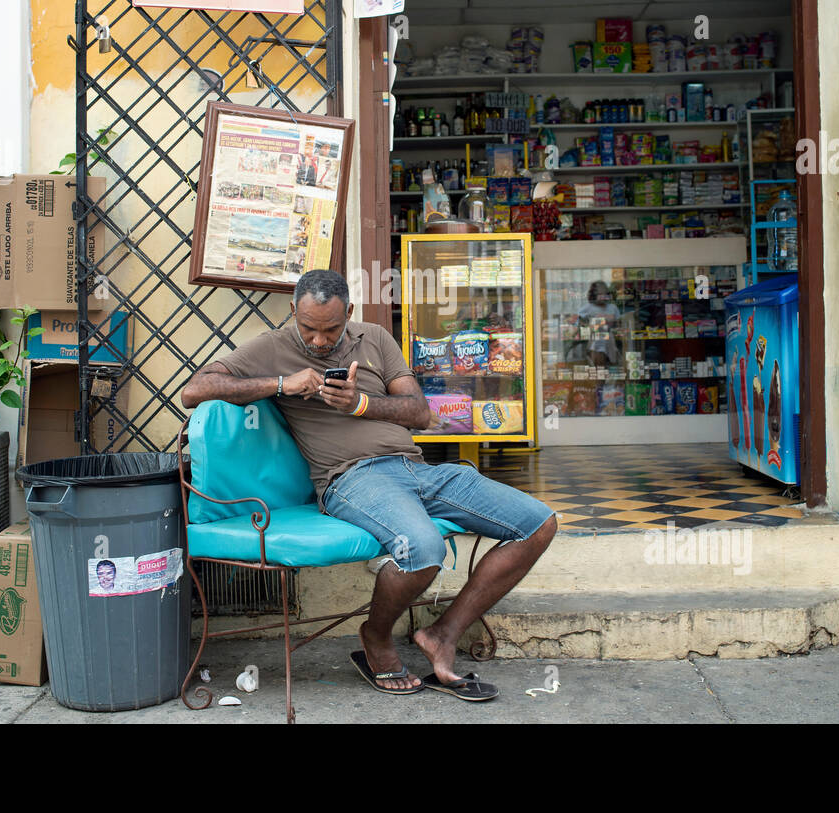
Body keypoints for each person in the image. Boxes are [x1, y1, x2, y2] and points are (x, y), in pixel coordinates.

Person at [179, 269, 556, 701]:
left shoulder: (375, 337)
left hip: (419, 470)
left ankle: (442, 634)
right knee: (424, 549)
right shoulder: (274, 346)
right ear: (292, 314)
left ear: (350, 314)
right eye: (309, 329)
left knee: (538, 523)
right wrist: (283, 383)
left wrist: (361, 403)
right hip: (352, 479)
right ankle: (376, 638)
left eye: (331, 330)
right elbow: (196, 390)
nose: (319, 341)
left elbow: (419, 413)